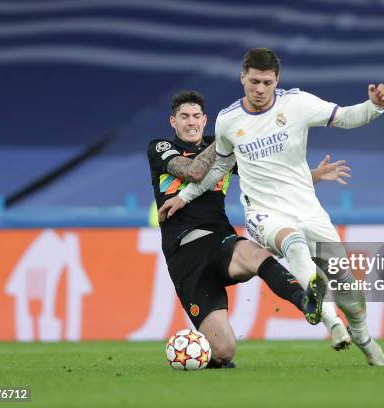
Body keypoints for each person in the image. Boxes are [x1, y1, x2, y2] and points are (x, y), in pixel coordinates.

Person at [159, 48, 384, 366]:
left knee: (346, 285)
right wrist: (184, 196)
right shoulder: (229, 120)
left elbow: (345, 117)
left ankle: (364, 339)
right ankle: (331, 322)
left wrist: (374, 108)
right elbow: (219, 167)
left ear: (276, 81)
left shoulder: (297, 104)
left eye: (267, 82)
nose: (259, 89)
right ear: (242, 77)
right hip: (264, 213)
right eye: (254, 81)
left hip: (308, 209)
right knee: (293, 244)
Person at [148, 90, 351, 368]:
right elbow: (194, 171)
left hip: (221, 241)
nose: (191, 122)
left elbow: (270, 177)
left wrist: (312, 176)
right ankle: (211, 363)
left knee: (255, 255)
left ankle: (305, 301)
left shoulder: (223, 149)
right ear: (173, 121)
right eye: (184, 116)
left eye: (197, 116)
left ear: (205, 119)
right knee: (223, 351)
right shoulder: (160, 147)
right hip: (185, 255)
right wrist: (228, 136)